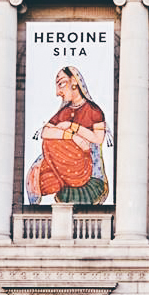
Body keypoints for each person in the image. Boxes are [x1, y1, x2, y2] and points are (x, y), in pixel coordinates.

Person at [26, 66, 112, 205]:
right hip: (65, 165)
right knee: (48, 143)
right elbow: (46, 132)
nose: (58, 92)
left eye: (61, 84)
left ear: (74, 82)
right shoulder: (65, 111)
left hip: (85, 166)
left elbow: (98, 139)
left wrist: (72, 126)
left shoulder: (93, 110)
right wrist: (71, 135)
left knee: (51, 143)